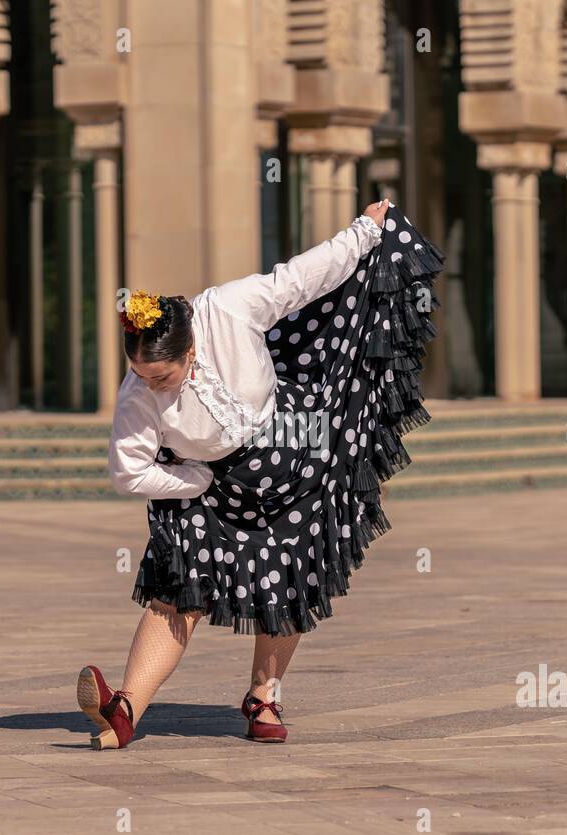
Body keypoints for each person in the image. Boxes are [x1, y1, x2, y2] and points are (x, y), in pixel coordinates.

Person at [78, 199, 442, 749]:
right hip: (203, 484)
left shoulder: (228, 308)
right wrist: (192, 481)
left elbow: (303, 277)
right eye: (139, 374)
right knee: (178, 591)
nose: (150, 384)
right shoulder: (138, 396)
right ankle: (126, 707)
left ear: (191, 346)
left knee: (291, 577)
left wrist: (365, 230)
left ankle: (263, 697)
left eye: (161, 375)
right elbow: (128, 471)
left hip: (289, 450)